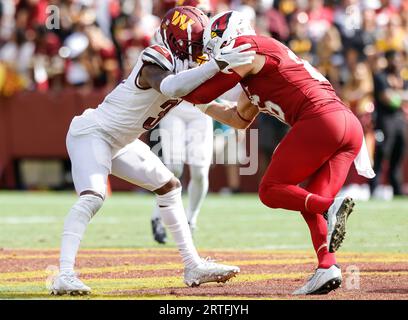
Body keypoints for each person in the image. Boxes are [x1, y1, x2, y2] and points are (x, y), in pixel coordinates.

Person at [161, 10, 375, 295]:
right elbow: (238, 118)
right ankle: (327, 267)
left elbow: (202, 92)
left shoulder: (249, 47)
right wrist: (199, 106)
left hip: (321, 120)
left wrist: (175, 89)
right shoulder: (254, 66)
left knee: (271, 190)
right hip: (345, 126)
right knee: (307, 199)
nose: (218, 59)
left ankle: (329, 207)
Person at [50, 6, 256, 295]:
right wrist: (216, 66)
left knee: (170, 186)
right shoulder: (155, 57)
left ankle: (192, 265)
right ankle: (64, 274)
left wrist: (254, 100)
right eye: (197, 43)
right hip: (93, 133)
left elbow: (214, 109)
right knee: (93, 198)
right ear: (179, 39)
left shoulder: (185, 67)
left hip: (120, 141)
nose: (201, 51)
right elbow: (171, 87)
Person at [150, 0, 214, 244]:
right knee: (173, 166)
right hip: (175, 107)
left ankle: (191, 219)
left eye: (206, 13)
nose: (204, 17)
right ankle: (157, 216)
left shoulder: (214, 35)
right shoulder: (165, 33)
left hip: (202, 108)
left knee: (199, 169)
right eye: (200, 13)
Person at [370, 50, 407, 196]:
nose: (397, 63)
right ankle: (373, 190)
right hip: (384, 121)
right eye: (394, 59)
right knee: (381, 154)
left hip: (399, 121)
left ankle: (397, 190)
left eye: (399, 60)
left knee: (398, 155)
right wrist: (400, 97)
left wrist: (396, 96)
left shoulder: (402, 79)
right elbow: (387, 99)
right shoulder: (380, 77)